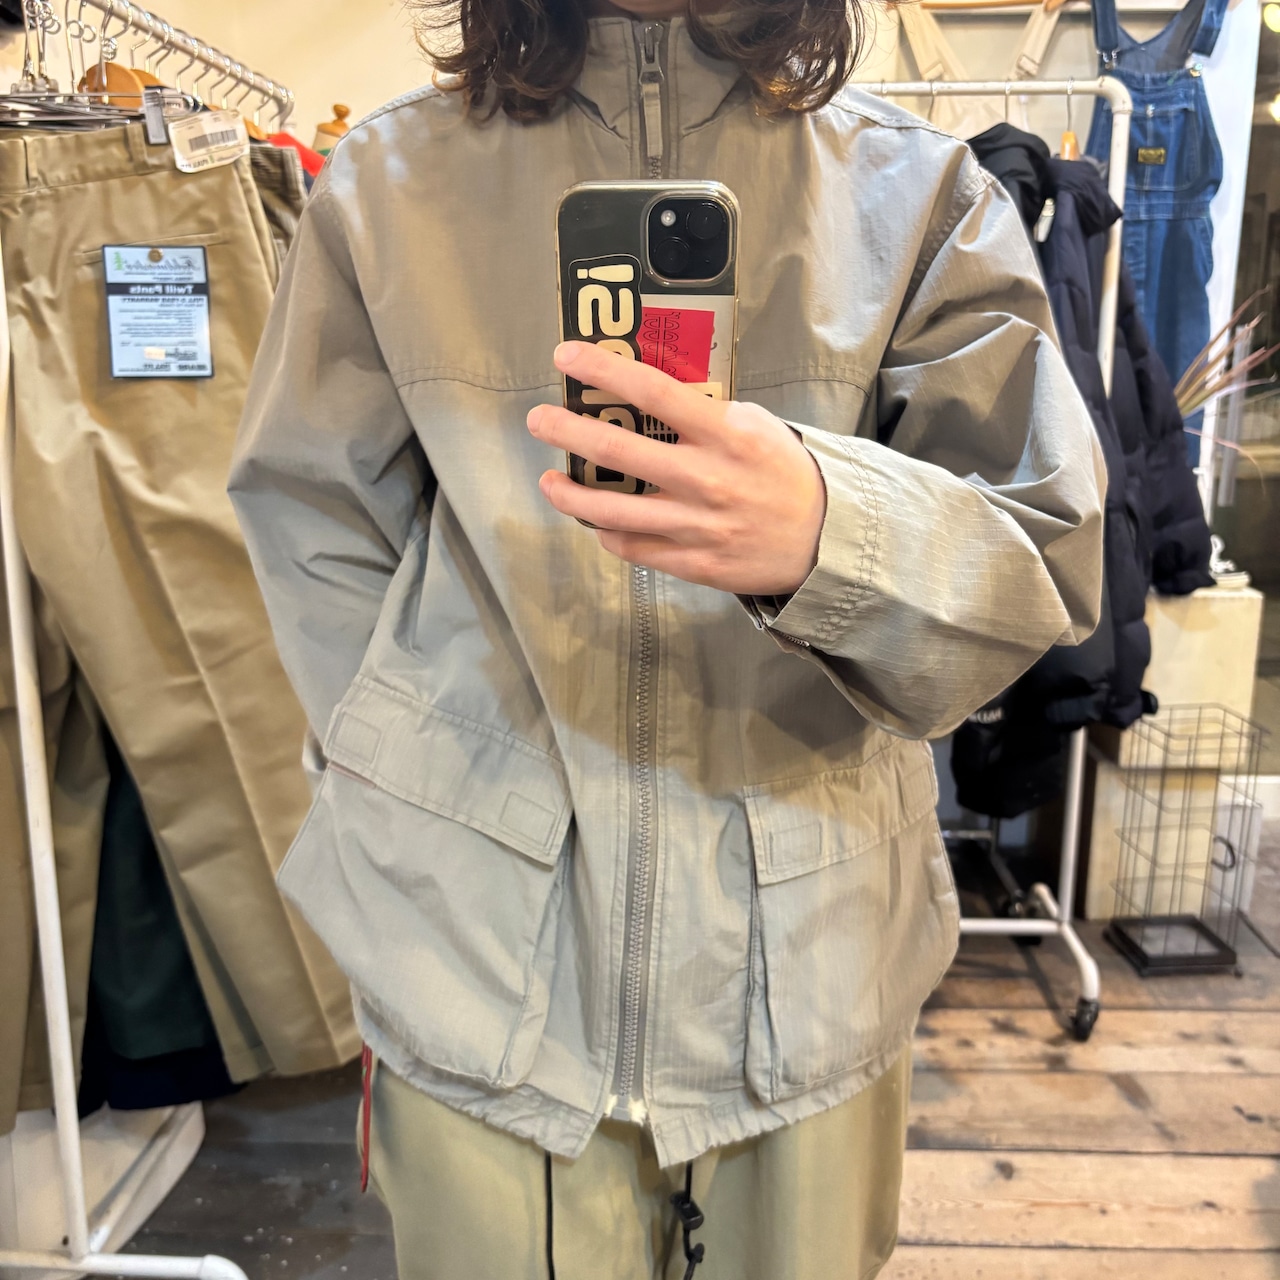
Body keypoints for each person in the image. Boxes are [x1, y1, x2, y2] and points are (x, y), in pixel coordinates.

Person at [228, 0, 1105, 1274]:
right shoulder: (383, 184)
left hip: (806, 957)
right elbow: (312, 523)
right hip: (473, 955)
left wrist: (829, 532)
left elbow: (1040, 565)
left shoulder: (917, 195)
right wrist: (411, 785)